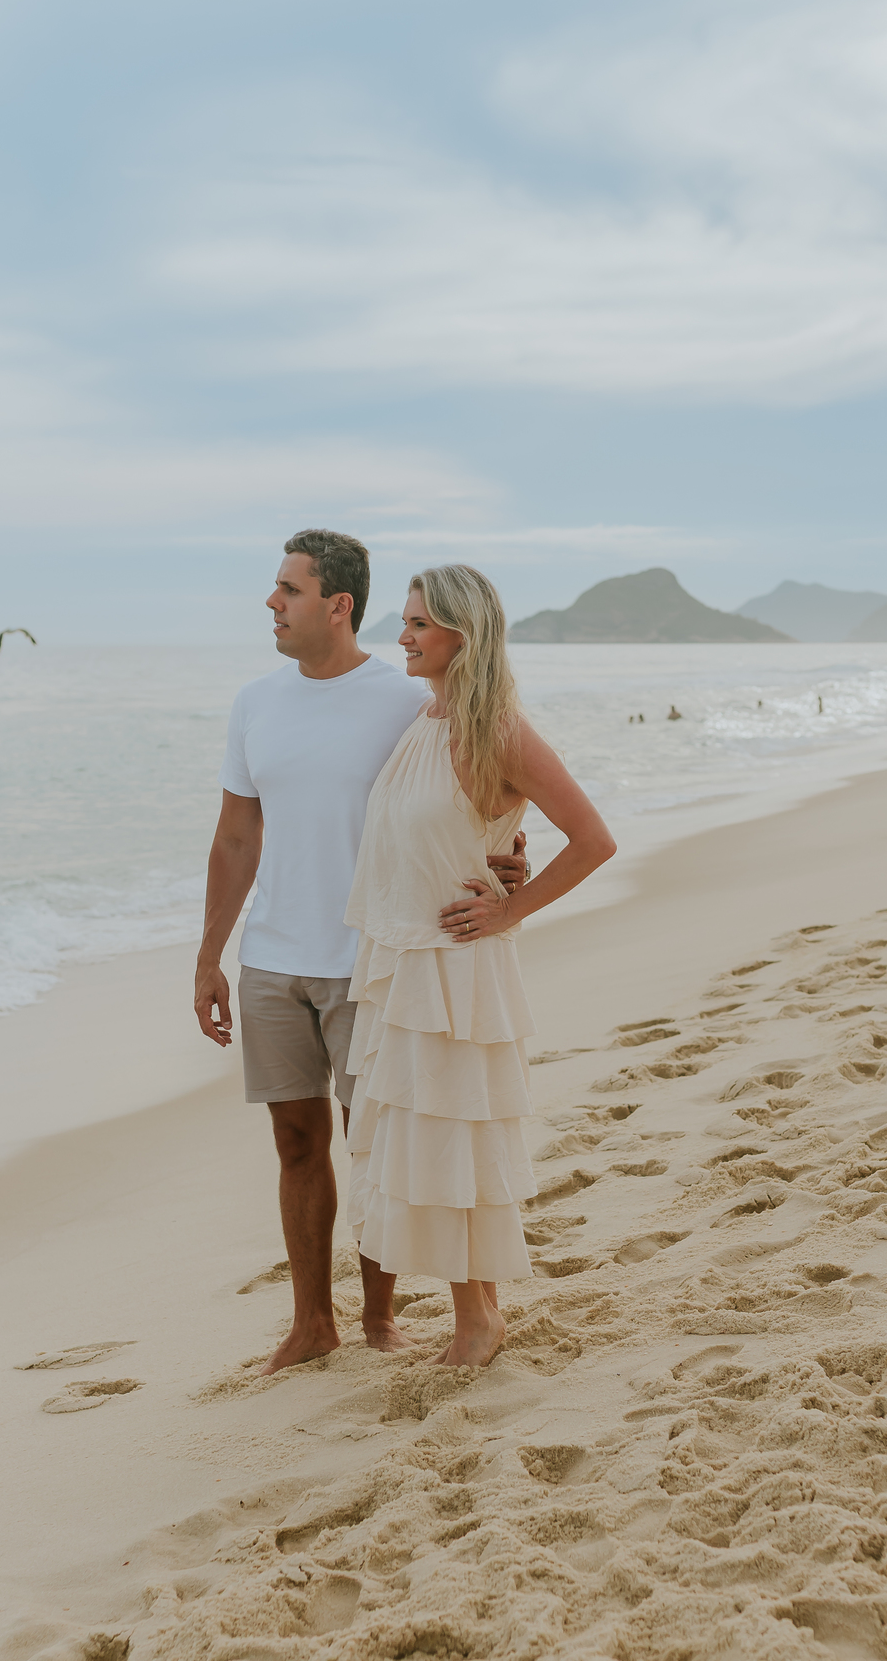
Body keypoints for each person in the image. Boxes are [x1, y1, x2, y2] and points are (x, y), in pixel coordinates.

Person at [194, 530, 527, 1375]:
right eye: (275, 589)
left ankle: (380, 1320)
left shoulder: (404, 698)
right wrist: (210, 956)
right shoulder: (254, 704)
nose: (272, 603)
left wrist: (504, 861)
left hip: (372, 959)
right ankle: (314, 1325)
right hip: (273, 956)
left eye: (289, 590)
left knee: (374, 1142)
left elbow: (472, 786)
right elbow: (237, 836)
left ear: (338, 605)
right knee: (296, 1144)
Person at [343, 564, 616, 1368]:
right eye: (404, 620)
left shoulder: (497, 729)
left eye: (418, 623)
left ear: (462, 634)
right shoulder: (427, 722)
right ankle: (482, 1311)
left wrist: (511, 906)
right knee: (431, 1136)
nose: (402, 635)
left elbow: (594, 839)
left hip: (456, 970)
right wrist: (503, 854)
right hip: (406, 959)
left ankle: (475, 1323)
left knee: (454, 1137)